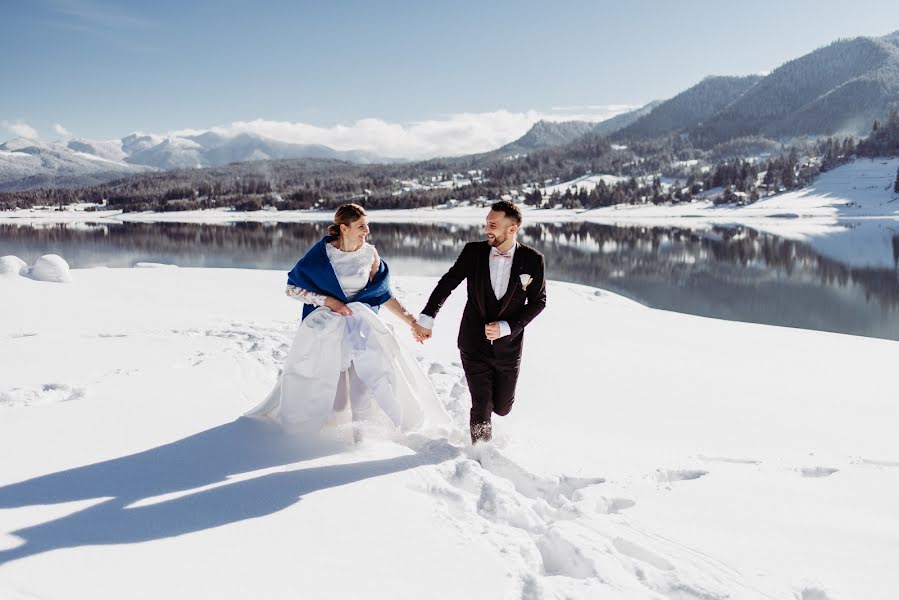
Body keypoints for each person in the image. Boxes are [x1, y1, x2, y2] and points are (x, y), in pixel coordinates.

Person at [247, 203, 448, 437]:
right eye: (361, 226)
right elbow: (292, 289)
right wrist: (328, 301)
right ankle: (318, 439)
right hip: (328, 330)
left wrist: (412, 322)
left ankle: (361, 442)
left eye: (367, 225)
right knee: (337, 400)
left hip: (361, 328)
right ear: (344, 228)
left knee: (364, 387)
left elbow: (382, 293)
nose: (367, 230)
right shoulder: (322, 254)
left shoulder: (370, 255)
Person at [412, 200, 546, 444]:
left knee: (502, 407)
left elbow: (538, 302)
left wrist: (507, 328)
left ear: (512, 229)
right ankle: (481, 452)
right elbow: (447, 283)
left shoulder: (533, 260)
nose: (487, 229)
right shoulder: (473, 252)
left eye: (493, 224)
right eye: (486, 223)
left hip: (508, 348)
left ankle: (495, 417)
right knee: (481, 403)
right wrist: (427, 318)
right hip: (473, 342)